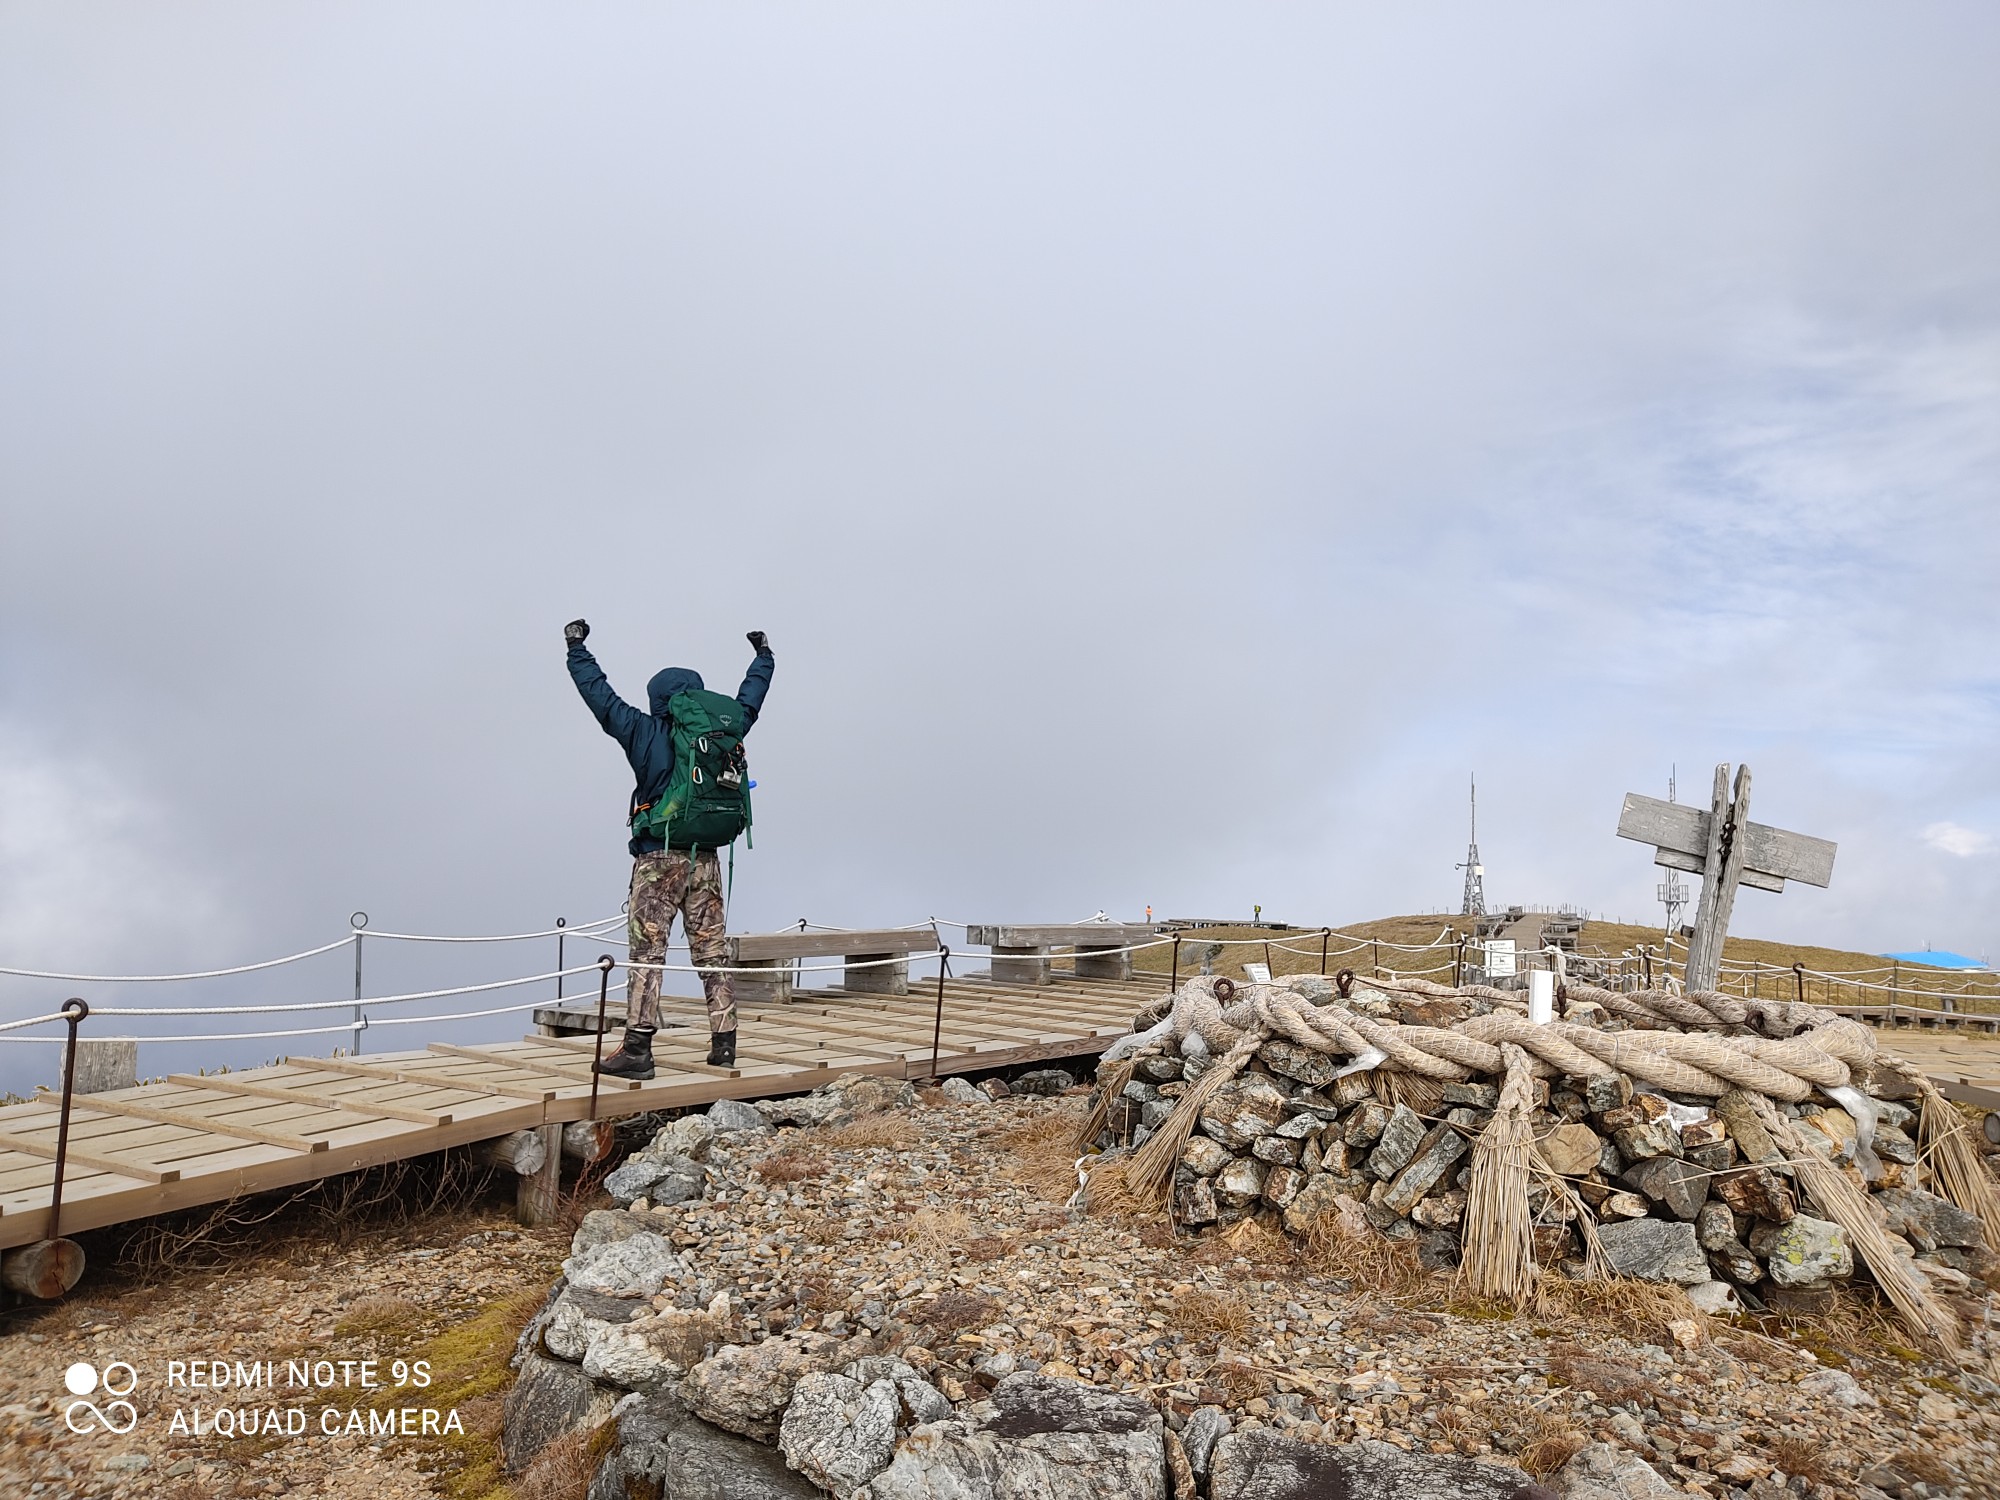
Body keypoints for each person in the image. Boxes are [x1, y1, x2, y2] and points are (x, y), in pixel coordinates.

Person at [563, 619, 774, 1078]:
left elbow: (600, 698)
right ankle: (724, 1045)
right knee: (712, 951)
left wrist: (576, 648)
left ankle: (637, 1050)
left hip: (659, 858)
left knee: (647, 951)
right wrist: (763, 656)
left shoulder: (644, 732)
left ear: (658, 700)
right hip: (707, 857)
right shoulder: (723, 733)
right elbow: (750, 700)